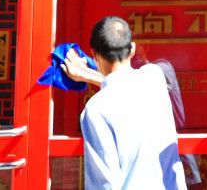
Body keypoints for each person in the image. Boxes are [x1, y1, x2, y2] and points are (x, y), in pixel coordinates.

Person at [62, 16, 187, 190]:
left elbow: (104, 184)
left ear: (94, 54)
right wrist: (88, 75)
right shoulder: (154, 77)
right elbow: (124, 84)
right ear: (132, 49)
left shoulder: (96, 109)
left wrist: (85, 74)